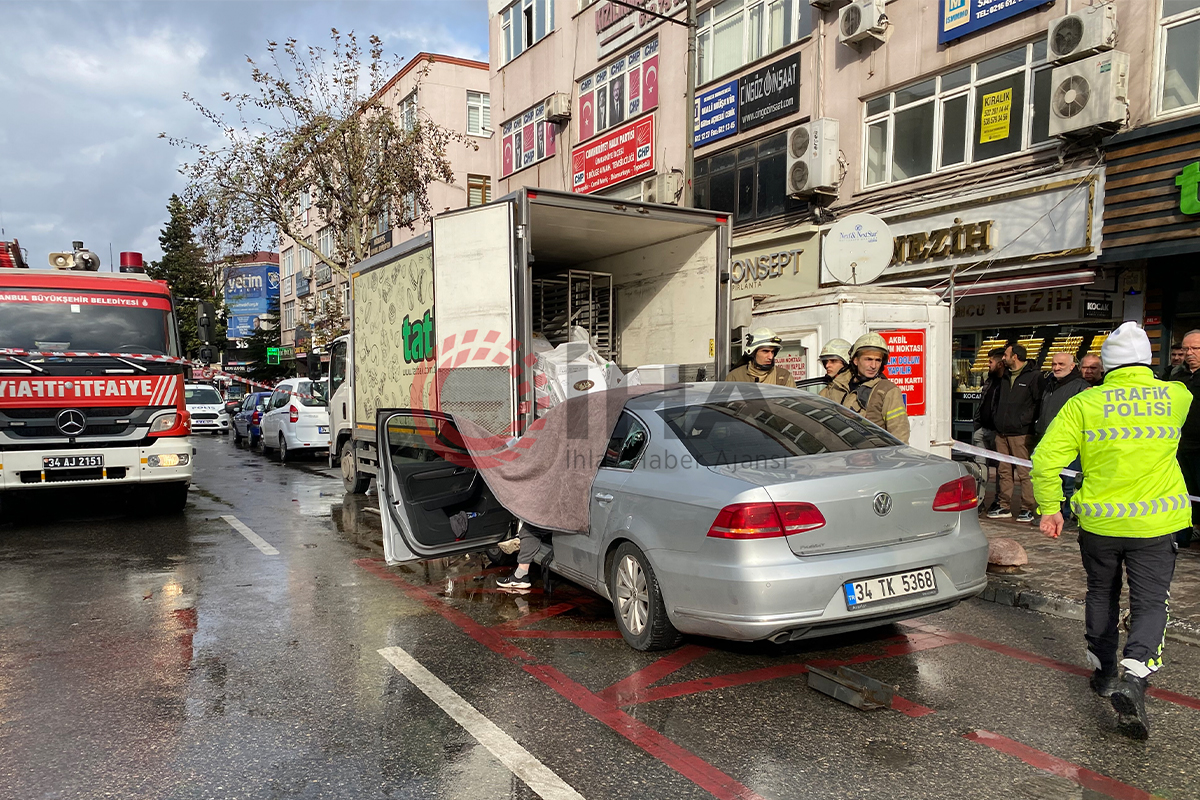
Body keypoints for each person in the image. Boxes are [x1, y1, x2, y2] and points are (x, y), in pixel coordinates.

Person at [1031, 321, 1192, 740]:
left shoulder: (1085, 404)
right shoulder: (1176, 396)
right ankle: (1135, 676)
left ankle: (1103, 672)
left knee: (1101, 593)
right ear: (1148, 361)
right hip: (1157, 524)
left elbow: (1046, 461)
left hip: (1101, 524)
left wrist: (1052, 509)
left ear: (1105, 365)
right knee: (1150, 602)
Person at [1035, 352, 1091, 529]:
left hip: (1070, 443)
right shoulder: (1050, 384)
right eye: (1054, 364)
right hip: (1049, 438)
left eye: (1061, 364)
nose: (1056, 368)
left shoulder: (1081, 387)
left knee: (1068, 482)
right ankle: (1052, 511)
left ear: (1072, 366)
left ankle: (1066, 515)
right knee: (1051, 478)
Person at [989, 343, 1042, 523]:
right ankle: (1004, 504)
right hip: (1001, 432)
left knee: (1024, 472)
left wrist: (1022, 421)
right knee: (1003, 471)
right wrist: (997, 418)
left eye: (1006, 355)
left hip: (1021, 433)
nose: (1003, 358)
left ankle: (1028, 507)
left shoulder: (1034, 377)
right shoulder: (1004, 377)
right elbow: (996, 400)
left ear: (1015, 357)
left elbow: (1037, 404)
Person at [840, 333, 910, 443]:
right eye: (868, 359)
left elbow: (900, 433)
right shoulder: (841, 385)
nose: (873, 366)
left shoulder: (887, 390)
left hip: (873, 456)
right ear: (855, 360)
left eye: (878, 360)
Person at [1171, 329, 1200, 547]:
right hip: (1178, 446)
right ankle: (1184, 534)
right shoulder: (1174, 376)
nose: (1189, 353)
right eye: (1186, 348)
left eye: (1195, 348)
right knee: (1183, 492)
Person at [973, 348, 1006, 515]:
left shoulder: (1007, 382)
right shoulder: (989, 380)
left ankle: (999, 501)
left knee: (1002, 469)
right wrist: (977, 423)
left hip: (998, 431)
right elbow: (983, 402)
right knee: (979, 467)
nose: (988, 365)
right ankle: (978, 501)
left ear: (1000, 363)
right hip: (982, 429)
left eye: (990, 362)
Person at [726, 327, 797, 386]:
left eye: (772, 352)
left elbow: (794, 402)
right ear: (752, 352)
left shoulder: (783, 377)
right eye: (765, 351)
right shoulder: (735, 377)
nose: (770, 357)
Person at [818, 338, 852, 404]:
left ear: (846, 362)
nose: (827, 365)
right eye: (825, 362)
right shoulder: (825, 392)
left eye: (833, 361)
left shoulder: (855, 386)